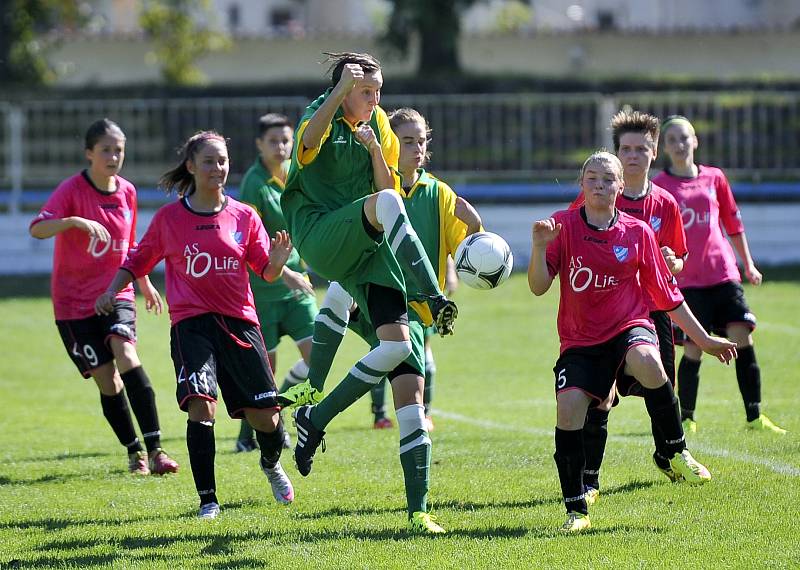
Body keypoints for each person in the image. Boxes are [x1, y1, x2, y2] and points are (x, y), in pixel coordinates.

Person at [289, 106, 482, 534]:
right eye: (407, 140)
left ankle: (418, 511)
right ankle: (312, 384)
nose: (415, 148)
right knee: (339, 288)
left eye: (421, 141)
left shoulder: (440, 194)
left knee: (411, 408)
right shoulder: (370, 191)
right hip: (369, 294)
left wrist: (477, 230)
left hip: (410, 316)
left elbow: (470, 254)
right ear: (390, 143)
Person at [528, 151, 737, 532]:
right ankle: (577, 511)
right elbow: (539, 287)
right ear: (581, 184)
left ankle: (675, 450)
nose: (599, 185)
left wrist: (704, 339)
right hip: (579, 340)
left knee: (650, 361)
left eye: (607, 179)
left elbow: (667, 295)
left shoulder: (639, 232)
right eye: (591, 178)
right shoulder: (563, 226)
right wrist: (540, 247)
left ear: (620, 186)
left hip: (629, 325)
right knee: (568, 408)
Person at [95, 131, 295, 519]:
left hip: (239, 324)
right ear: (191, 166)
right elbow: (138, 258)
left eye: (222, 161)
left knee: (267, 420)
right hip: (191, 326)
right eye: (208, 161)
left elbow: (263, 272)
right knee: (200, 406)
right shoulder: (170, 219)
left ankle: (270, 464)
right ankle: (208, 500)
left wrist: (278, 260)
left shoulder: (244, 215)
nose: (217, 168)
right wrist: (111, 290)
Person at [278, 51, 457, 413]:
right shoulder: (321, 112)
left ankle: (314, 413)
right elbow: (308, 145)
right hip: (317, 234)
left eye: (378, 91)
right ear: (344, 91)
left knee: (397, 347)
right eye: (366, 92)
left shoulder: (378, 124)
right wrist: (339, 90)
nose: (375, 100)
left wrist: (375, 148)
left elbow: (386, 184)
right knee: (388, 203)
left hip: (359, 237)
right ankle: (434, 297)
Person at [29, 118, 179, 477]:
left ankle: (157, 450)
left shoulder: (127, 191)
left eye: (119, 150)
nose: (114, 157)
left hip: (115, 293)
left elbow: (129, 246)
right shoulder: (70, 191)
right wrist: (74, 222)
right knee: (107, 380)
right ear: (89, 154)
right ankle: (134, 452)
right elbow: (37, 229)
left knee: (126, 353)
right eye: (106, 150)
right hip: (72, 304)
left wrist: (142, 282)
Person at [569, 110, 689, 502]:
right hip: (605, 313)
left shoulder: (665, 204)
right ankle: (590, 478)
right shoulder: (594, 197)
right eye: (626, 149)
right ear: (618, 155)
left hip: (652, 310)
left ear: (654, 152)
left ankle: (670, 451)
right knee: (600, 397)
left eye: (641, 148)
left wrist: (673, 263)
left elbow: (677, 258)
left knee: (661, 379)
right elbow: (573, 239)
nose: (633, 155)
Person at [653, 116, 786, 435]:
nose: (679, 144)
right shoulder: (659, 186)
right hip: (686, 280)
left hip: (722, 272)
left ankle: (755, 416)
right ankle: (687, 417)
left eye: (684, 137)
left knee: (743, 338)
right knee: (694, 347)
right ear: (664, 148)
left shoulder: (715, 177)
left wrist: (748, 264)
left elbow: (732, 222)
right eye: (671, 139)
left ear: (695, 141)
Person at [234, 113, 317, 453]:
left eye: (286, 140)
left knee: (319, 361)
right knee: (261, 376)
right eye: (273, 141)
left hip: (297, 290)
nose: (281, 147)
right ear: (259, 145)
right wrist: (285, 272)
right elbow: (251, 243)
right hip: (263, 293)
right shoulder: (253, 184)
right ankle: (246, 435)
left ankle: (282, 412)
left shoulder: (296, 173)